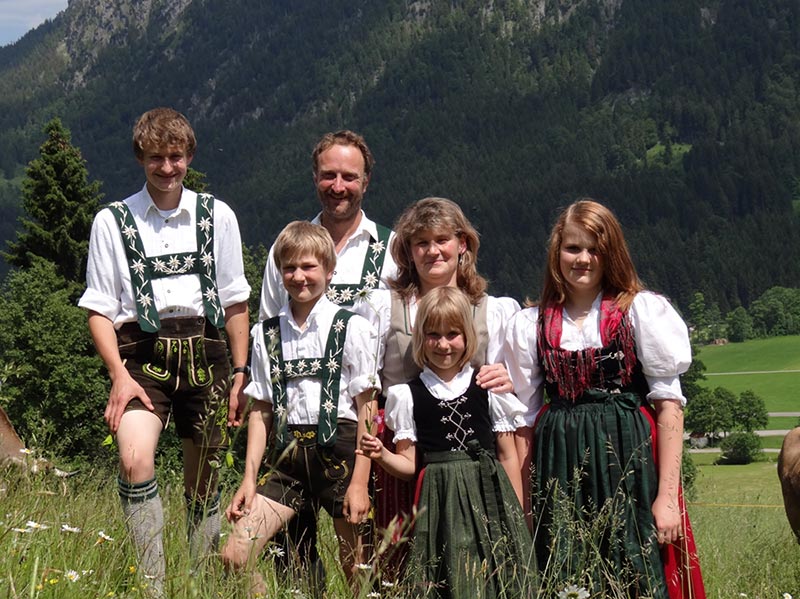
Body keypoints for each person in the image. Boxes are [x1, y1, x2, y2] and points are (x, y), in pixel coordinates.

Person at [79, 107, 251, 596]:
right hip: (139, 355)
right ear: (141, 158)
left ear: (189, 156)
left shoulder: (218, 215)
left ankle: (199, 585)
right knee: (134, 459)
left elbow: (236, 299)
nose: (167, 167)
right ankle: (152, 586)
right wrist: (117, 374)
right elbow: (98, 308)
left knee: (204, 480)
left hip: (208, 350)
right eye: (156, 157)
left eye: (176, 156)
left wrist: (241, 372)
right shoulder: (113, 221)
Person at [504, 199, 705, 598]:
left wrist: (667, 498)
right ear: (556, 252)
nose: (583, 259)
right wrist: (527, 506)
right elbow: (522, 422)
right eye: (573, 248)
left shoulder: (639, 312)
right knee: (566, 569)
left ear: (611, 253)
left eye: (594, 248)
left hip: (629, 460)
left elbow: (669, 406)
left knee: (637, 565)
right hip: (559, 462)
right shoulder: (531, 323)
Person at [258, 130, 396, 587]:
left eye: (349, 177)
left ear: (366, 181)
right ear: (315, 178)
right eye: (329, 175)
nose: (339, 186)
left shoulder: (391, 251)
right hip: (292, 424)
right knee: (293, 558)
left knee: (364, 553)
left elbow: (424, 322)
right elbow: (269, 328)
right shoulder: (290, 249)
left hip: (369, 420)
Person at [353, 197, 530, 552]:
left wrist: (508, 381)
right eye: (421, 242)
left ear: (462, 244)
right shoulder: (382, 306)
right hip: (401, 445)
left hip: (469, 454)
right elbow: (367, 393)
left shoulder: (492, 310)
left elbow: (512, 391)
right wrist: (360, 476)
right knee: (402, 556)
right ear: (407, 250)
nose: (432, 251)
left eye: (442, 240)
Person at [221, 221, 380, 597]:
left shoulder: (352, 327)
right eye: (289, 268)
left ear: (329, 270)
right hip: (287, 460)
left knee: (358, 572)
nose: (299, 276)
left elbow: (367, 409)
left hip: (340, 453)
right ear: (280, 273)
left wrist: (360, 481)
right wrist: (249, 478)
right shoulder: (265, 334)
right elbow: (261, 409)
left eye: (309, 267)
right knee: (234, 556)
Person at [358, 287, 533, 598]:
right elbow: (409, 465)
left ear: (467, 335)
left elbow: (507, 455)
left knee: (497, 574)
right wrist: (382, 454)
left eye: (453, 334)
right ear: (421, 338)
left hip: (488, 493)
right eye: (433, 334)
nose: (443, 344)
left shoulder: (487, 387)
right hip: (439, 500)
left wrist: (515, 511)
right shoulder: (407, 395)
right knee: (449, 576)